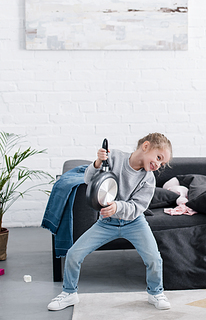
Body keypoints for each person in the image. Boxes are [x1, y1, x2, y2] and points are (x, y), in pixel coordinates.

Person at [48, 133, 173, 311]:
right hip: (106, 223)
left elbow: (138, 207)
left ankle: (155, 293)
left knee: (154, 258)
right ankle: (69, 293)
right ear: (146, 146)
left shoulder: (148, 179)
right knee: (74, 253)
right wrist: (97, 163)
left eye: (162, 164)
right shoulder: (113, 157)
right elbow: (88, 180)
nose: (158, 165)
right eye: (159, 158)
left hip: (134, 223)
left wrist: (118, 207)